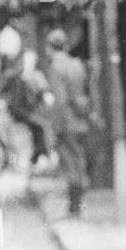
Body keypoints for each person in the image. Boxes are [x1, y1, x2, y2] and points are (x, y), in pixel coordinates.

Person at [43, 30, 90, 213]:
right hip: (80, 119)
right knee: (78, 160)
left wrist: (56, 128)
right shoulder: (76, 65)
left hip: (66, 121)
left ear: (50, 47)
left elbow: (60, 101)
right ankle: (76, 204)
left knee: (70, 163)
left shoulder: (55, 66)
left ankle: (74, 206)